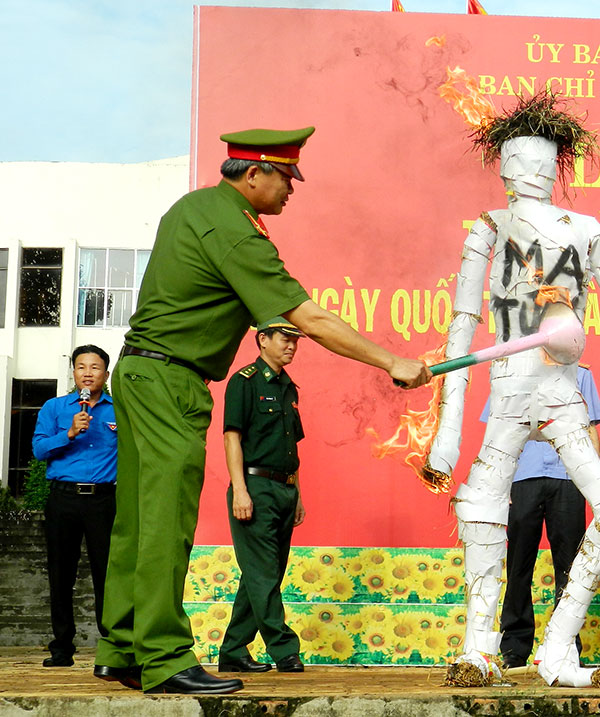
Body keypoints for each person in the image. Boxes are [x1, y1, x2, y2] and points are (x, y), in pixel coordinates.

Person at [94, 127, 431, 695]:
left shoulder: (194, 206)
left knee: (136, 517)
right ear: (254, 174)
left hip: (141, 372)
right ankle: (163, 656)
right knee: (164, 523)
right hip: (170, 380)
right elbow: (308, 318)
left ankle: (121, 647)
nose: (292, 190)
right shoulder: (236, 233)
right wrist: (390, 361)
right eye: (286, 178)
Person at [425, 94, 600, 688]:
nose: (529, 170)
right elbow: (462, 324)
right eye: (519, 160)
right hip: (506, 394)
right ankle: (480, 649)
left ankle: (557, 646)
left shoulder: (587, 230)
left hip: (560, 393)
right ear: (505, 165)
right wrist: (447, 430)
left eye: (537, 159)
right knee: (479, 505)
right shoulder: (490, 227)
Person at [480, 366, 600, 669]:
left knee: (570, 568)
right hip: (523, 475)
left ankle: (565, 646)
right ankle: (514, 647)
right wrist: (494, 480)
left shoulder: (582, 374)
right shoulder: (509, 373)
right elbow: (496, 430)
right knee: (519, 565)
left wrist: (594, 481)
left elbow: (589, 429)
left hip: (568, 476)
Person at [217, 317, 310, 674]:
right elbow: (231, 437)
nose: (291, 345)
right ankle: (284, 649)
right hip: (254, 487)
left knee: (262, 574)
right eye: (284, 339)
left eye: (295, 341)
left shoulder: (289, 387)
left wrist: (297, 493)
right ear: (262, 340)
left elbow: (292, 448)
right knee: (262, 574)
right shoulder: (245, 382)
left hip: (284, 488)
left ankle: (233, 650)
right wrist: (239, 489)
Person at [32, 345, 118, 668]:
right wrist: (68, 433)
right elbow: (39, 449)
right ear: (73, 373)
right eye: (81, 367)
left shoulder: (118, 410)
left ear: (106, 375)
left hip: (103, 500)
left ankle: (110, 649)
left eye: (95, 367)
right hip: (63, 499)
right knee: (60, 574)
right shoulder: (55, 408)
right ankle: (61, 649)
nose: (87, 373)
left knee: (106, 576)